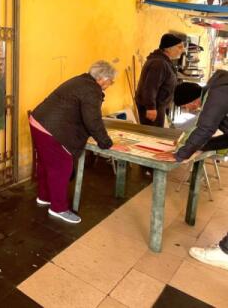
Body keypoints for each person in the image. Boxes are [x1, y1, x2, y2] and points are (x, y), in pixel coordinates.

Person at [30, 60, 119, 224]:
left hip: (38, 120)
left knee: (45, 163)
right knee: (61, 167)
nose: (110, 85)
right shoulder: (92, 90)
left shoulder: (81, 80)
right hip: (51, 128)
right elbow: (92, 120)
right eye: (111, 82)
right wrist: (105, 142)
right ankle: (58, 208)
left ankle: (44, 197)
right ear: (103, 79)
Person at [155, 73, 228, 270]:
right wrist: (201, 147)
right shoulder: (219, 89)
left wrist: (180, 154)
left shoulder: (218, 92)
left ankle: (225, 253)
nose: (188, 110)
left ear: (194, 100)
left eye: (187, 107)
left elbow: (205, 128)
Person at [135, 33, 185, 127]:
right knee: (153, 133)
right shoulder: (159, 63)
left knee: (155, 132)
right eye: (180, 47)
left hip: (158, 106)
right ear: (168, 48)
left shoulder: (163, 61)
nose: (183, 50)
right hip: (153, 108)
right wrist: (151, 107)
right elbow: (150, 87)